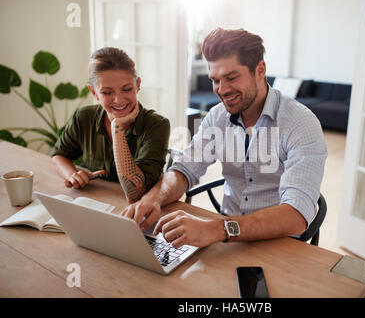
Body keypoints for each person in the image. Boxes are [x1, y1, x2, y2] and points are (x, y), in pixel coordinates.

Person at [121, 28, 327, 248]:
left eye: (231, 77)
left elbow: (296, 216)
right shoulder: (217, 116)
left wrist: (218, 228)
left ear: (260, 70)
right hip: (226, 240)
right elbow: (184, 169)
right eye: (215, 80)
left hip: (277, 244)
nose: (222, 89)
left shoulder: (300, 124)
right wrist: (154, 198)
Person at [51, 47, 170, 203]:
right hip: (93, 201)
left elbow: (135, 192)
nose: (118, 100)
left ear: (138, 84)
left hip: (136, 209)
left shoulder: (157, 125)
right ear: (93, 92)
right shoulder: (84, 117)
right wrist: (72, 174)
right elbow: (59, 154)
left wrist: (117, 129)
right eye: (107, 92)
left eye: (127, 89)